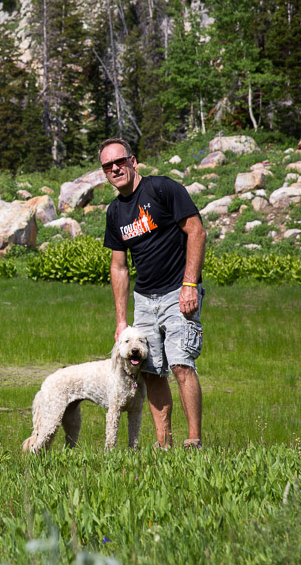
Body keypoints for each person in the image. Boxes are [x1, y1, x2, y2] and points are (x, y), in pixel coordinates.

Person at [99, 138, 207, 450]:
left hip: (177, 291)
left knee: (181, 364)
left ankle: (194, 442)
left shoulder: (162, 188)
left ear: (133, 161)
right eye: (108, 166)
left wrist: (190, 285)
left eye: (120, 161)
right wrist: (121, 321)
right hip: (144, 300)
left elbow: (196, 232)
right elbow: (119, 267)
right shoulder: (114, 212)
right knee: (151, 371)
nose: (115, 169)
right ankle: (164, 445)